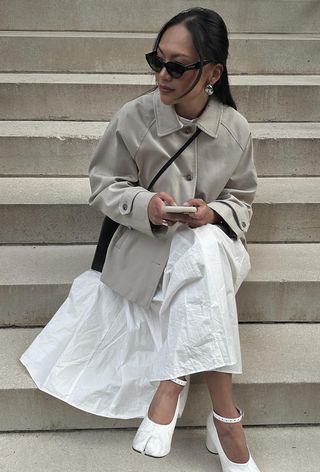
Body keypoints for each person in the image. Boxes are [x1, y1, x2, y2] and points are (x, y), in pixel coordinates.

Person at [20, 7, 260, 472]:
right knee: (200, 252)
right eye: (157, 59)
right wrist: (145, 207)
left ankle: (170, 382)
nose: (161, 74)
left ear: (211, 72)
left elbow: (243, 201)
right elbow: (103, 186)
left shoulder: (236, 130)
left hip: (216, 248)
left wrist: (214, 212)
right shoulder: (134, 117)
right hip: (146, 249)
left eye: (176, 66)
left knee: (205, 244)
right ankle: (226, 418)